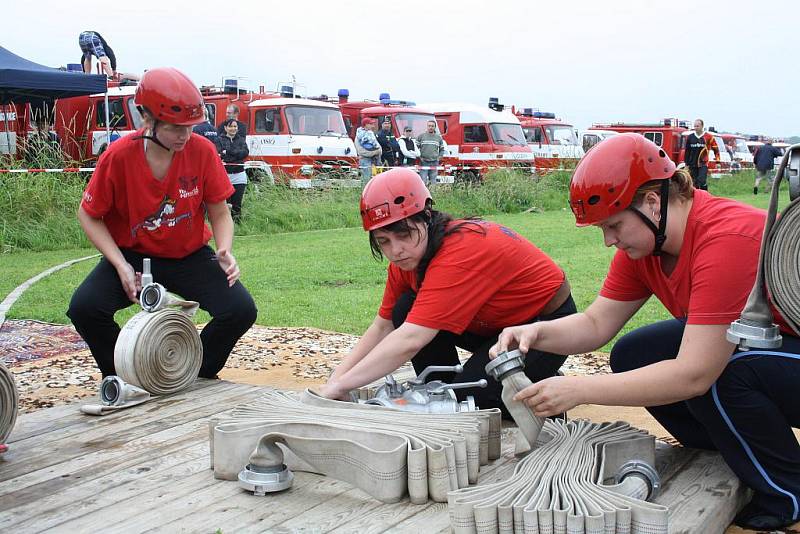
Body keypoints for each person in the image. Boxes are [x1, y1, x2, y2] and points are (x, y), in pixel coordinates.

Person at [491, 133, 800, 531]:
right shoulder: (646, 243)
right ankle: (728, 451)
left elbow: (694, 374)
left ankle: (787, 493)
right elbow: (595, 323)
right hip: (779, 348)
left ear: (653, 203)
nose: (608, 240)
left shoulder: (726, 238)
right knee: (636, 353)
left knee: (722, 374)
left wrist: (580, 389)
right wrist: (534, 333)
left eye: (614, 225)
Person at [320, 168, 575, 415]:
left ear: (427, 217)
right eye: (383, 241)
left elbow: (411, 339)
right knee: (406, 310)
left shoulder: (459, 252)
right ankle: (443, 390)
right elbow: (382, 327)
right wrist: (337, 377)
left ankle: (542, 382)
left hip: (546, 324)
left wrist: (344, 385)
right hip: (494, 324)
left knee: (473, 400)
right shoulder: (407, 261)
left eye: (404, 234)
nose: (395, 250)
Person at [67, 67, 257, 380]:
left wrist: (224, 250)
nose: (184, 136)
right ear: (147, 119)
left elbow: (220, 211)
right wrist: (120, 265)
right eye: (174, 128)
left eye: (190, 127)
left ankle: (190, 370)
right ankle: (127, 374)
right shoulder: (118, 156)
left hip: (188, 253)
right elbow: (88, 214)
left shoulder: (202, 151)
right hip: (132, 254)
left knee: (239, 310)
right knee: (85, 308)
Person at [214, 119, 250, 222]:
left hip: (239, 175)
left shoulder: (241, 140)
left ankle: (238, 226)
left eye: (235, 126)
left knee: (237, 205)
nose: (233, 128)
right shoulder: (219, 140)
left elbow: (244, 153)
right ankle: (225, 224)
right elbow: (219, 154)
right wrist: (234, 154)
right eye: (231, 126)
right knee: (226, 205)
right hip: (225, 176)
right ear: (225, 128)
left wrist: (228, 152)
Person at [683, 118, 720, 191]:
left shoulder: (709, 137)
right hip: (692, 164)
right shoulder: (690, 137)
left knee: (702, 181)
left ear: (702, 126)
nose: (695, 128)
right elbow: (687, 151)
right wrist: (686, 164)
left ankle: (705, 196)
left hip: (703, 164)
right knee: (694, 183)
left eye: (697, 126)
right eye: (695, 126)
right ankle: (697, 198)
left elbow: (716, 149)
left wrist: (718, 161)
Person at [416, 120, 445, 185]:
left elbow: (442, 149)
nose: (430, 127)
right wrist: (419, 157)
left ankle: (433, 194)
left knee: (433, 181)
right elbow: (415, 148)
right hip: (424, 162)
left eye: (432, 126)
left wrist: (439, 157)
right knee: (423, 181)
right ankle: (423, 195)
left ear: (435, 127)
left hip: (434, 162)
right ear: (427, 126)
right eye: (429, 126)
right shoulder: (421, 136)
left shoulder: (438, 138)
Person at [355, 117, 382, 185]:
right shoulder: (359, 136)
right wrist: (375, 152)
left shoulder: (371, 134)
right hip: (365, 160)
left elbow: (377, 145)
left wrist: (379, 151)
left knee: (377, 180)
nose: (373, 125)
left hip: (376, 160)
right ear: (366, 124)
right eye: (371, 124)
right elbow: (361, 151)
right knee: (366, 180)